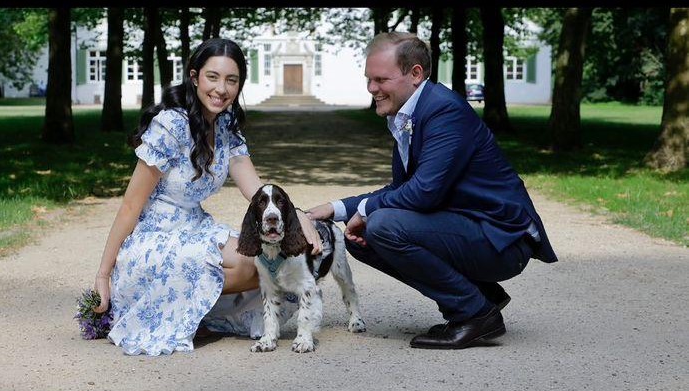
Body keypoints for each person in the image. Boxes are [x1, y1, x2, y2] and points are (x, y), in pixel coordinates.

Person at [307, 32, 557, 349]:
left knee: (382, 225)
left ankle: (476, 315)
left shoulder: (444, 111)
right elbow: (402, 189)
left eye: (381, 79)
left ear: (415, 74)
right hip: (471, 226)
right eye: (369, 79)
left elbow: (422, 193)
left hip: (503, 239)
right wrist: (337, 207)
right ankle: (479, 295)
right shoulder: (409, 113)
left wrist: (365, 211)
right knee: (362, 237)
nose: (372, 89)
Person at [93, 38, 320, 356]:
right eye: (213, 77)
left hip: (195, 225)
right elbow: (131, 204)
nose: (221, 89)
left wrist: (299, 215)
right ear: (194, 76)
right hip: (155, 234)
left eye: (232, 80)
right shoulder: (170, 125)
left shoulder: (227, 125)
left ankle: (195, 310)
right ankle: (156, 300)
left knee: (265, 258)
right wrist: (104, 273)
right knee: (244, 266)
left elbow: (254, 188)